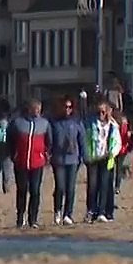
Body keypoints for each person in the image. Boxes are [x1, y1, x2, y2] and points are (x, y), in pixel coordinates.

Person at [9, 98, 51, 229]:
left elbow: (49, 141)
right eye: (35, 109)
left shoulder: (44, 124)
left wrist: (45, 154)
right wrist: (13, 155)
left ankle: (33, 219)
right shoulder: (18, 123)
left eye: (39, 109)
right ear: (29, 109)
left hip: (37, 163)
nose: (37, 112)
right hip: (20, 162)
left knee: (35, 191)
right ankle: (20, 217)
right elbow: (10, 139)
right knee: (22, 190)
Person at [82, 100, 122, 224]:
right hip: (93, 158)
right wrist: (87, 155)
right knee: (93, 186)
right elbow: (86, 140)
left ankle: (103, 212)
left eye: (103, 112)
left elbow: (117, 142)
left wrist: (113, 153)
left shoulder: (113, 126)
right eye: (98, 112)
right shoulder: (91, 124)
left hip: (107, 158)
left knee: (105, 185)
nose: (101, 114)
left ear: (108, 112)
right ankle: (91, 211)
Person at [49, 97, 86, 226]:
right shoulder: (54, 123)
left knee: (70, 188)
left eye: (70, 107)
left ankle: (68, 214)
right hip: (58, 159)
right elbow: (50, 140)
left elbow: (82, 140)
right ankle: (57, 210)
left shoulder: (76, 123)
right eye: (65, 107)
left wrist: (83, 157)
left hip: (73, 159)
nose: (67, 110)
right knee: (60, 187)